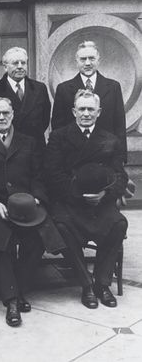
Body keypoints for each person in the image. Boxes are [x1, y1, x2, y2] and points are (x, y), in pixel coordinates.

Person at [0, 97, 65, 327]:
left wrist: (37, 198)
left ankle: (19, 287)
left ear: (13, 115)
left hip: (25, 205)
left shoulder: (29, 142)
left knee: (38, 240)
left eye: (5, 113)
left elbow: (38, 176)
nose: (1, 118)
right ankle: (12, 300)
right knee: (2, 242)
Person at [44, 90, 128, 309]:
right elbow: (53, 174)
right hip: (72, 201)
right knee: (61, 225)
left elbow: (120, 175)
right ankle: (86, 284)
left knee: (119, 224)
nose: (86, 113)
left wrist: (105, 194)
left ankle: (102, 283)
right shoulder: (59, 136)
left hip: (100, 202)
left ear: (99, 112)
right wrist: (78, 196)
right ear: (74, 111)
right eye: (81, 109)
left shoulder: (111, 140)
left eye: (91, 109)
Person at [51, 41, 126, 160]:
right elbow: (57, 126)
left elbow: (119, 125)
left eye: (91, 58)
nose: (87, 63)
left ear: (98, 60)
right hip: (73, 157)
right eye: (83, 59)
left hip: (105, 155)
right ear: (76, 62)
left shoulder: (113, 87)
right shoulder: (63, 89)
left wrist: (121, 157)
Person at [0, 47, 51, 147]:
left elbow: (45, 120)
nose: (20, 67)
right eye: (15, 63)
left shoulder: (40, 89)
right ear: (5, 67)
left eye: (23, 63)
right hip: (6, 149)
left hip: (35, 149)